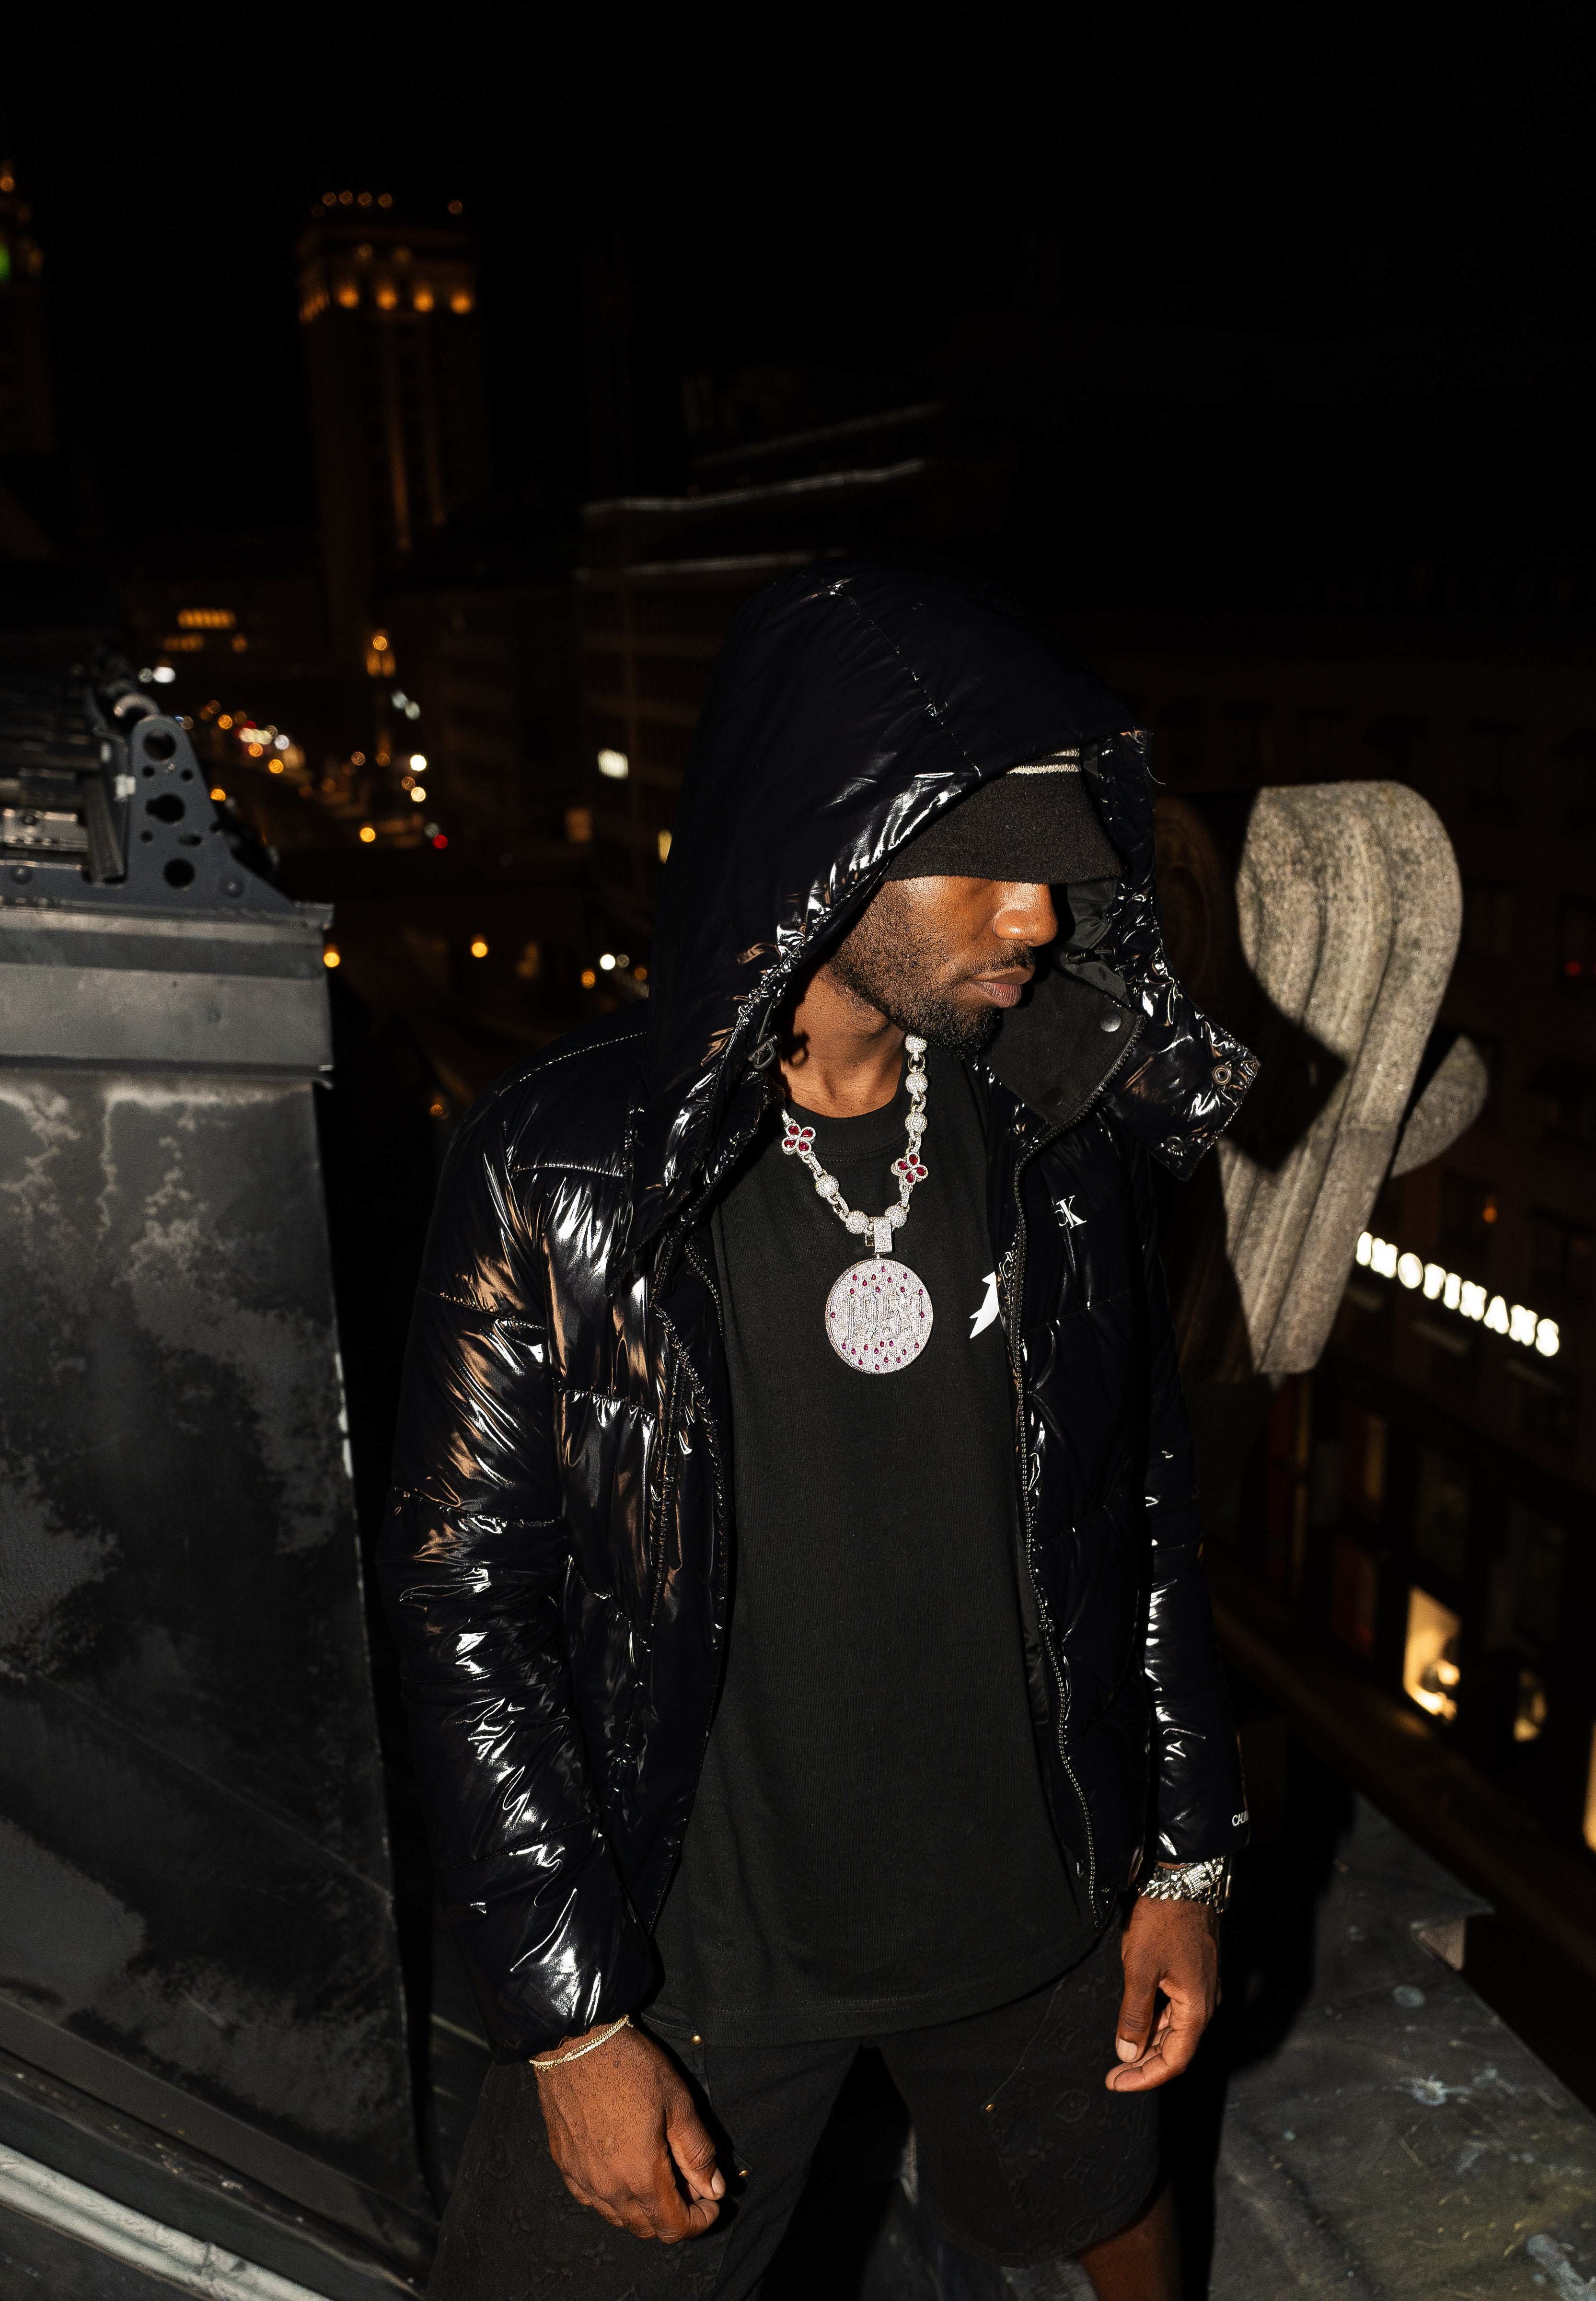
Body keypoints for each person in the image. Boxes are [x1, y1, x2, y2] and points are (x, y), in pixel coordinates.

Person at [381, 560, 1257, 2300]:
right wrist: (573, 2023)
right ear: (829, 843)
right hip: (700, 1963)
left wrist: (1187, 1856)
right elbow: (462, 1607)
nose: (1039, 916)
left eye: (1060, 864)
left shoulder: (1059, 1133)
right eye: (989, 858)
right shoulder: (560, 1168)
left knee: (1107, 2218)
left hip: (1039, 1918)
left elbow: (1142, 1506)